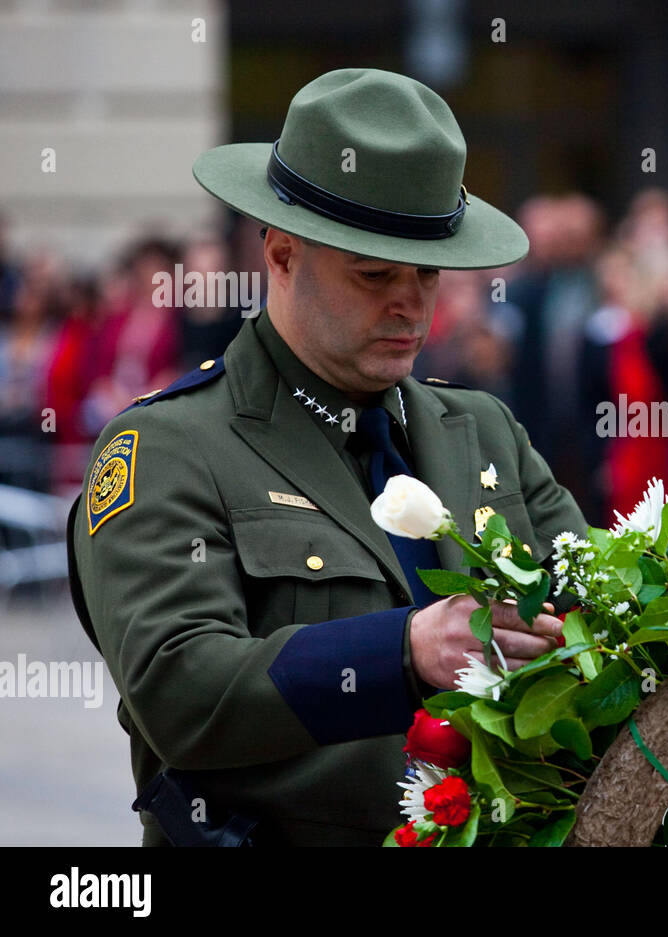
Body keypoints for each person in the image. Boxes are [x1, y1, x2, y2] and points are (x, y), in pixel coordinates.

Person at [67, 68, 587, 846]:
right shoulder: (168, 445)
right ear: (280, 254)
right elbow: (177, 689)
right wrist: (404, 651)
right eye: (374, 274)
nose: (410, 303)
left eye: (427, 274)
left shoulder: (483, 428)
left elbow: (592, 616)